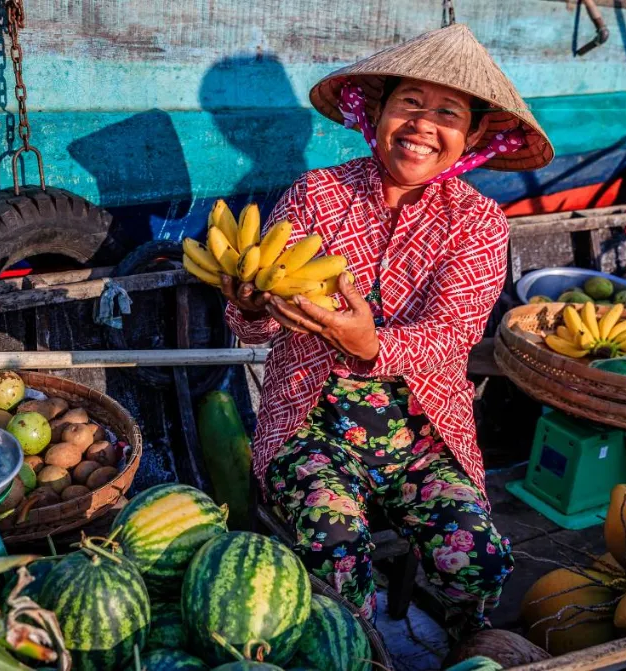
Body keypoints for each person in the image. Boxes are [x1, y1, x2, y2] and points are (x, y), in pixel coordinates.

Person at [220, 24, 554, 638]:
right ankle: (358, 647)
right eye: (409, 104)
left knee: (477, 559)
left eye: (447, 113)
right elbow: (257, 324)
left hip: (424, 436)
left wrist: (370, 344)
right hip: (310, 427)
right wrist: (247, 304)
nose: (424, 125)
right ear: (377, 112)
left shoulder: (479, 222)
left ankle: (468, 638)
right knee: (334, 548)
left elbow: (451, 338)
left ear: (473, 135)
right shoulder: (316, 195)